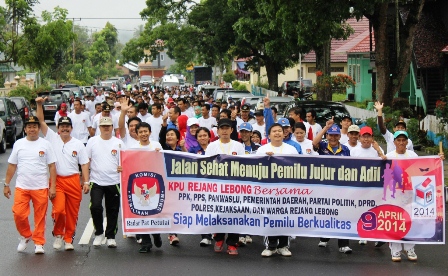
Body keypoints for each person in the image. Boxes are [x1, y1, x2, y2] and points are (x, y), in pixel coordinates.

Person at [35, 97, 90, 251]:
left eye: (67, 126)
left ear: (71, 128)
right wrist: (39, 104)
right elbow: (41, 122)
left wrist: (85, 181)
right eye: (62, 126)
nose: (65, 128)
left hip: (73, 180)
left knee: (72, 212)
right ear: (58, 128)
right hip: (57, 181)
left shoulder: (78, 144)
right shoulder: (52, 138)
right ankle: (58, 233)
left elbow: (84, 163)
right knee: (59, 210)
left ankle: (68, 238)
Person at [3, 116, 57, 254]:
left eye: (35, 126)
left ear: (38, 129)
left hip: (40, 187)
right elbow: (12, 165)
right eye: (29, 127)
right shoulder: (18, 144)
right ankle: (26, 235)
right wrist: (6, 184)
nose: (32, 129)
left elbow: (52, 166)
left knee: (40, 217)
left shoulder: (45, 144)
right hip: (22, 186)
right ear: (25, 129)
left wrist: (52, 187)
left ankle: (39, 243)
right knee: (19, 213)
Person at [257, 123, 299, 257]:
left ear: (284, 133)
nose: (277, 133)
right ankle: (271, 246)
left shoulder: (291, 149)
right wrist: (265, 159)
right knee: (269, 217)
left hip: (286, 190)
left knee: (285, 217)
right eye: (274, 131)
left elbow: (299, 169)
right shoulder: (262, 150)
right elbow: (255, 169)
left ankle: (283, 246)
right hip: (268, 191)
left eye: (280, 131)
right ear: (269, 135)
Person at [205, 118, 245, 255]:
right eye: (222, 128)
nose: (225, 131)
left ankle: (232, 243)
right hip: (217, 186)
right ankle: (219, 238)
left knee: (235, 214)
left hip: (234, 186)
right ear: (218, 130)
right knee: (219, 212)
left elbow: (243, 165)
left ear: (232, 130)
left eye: (227, 128)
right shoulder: (212, 146)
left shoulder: (238, 146)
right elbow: (206, 165)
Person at [312, 117, 352, 253]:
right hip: (325, 187)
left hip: (341, 187)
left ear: (340, 136)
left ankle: (343, 244)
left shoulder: (345, 150)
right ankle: (324, 238)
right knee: (327, 212)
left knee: (342, 213)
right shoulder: (323, 146)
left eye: (335, 135)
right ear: (327, 136)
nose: (333, 138)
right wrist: (325, 128)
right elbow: (314, 142)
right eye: (331, 135)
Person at [86, 117, 125, 249]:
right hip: (96, 180)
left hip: (114, 181)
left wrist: (122, 167)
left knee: (112, 210)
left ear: (112, 127)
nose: (106, 128)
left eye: (108, 125)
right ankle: (98, 233)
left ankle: (111, 236)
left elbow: (125, 162)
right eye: (103, 126)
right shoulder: (92, 141)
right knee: (95, 207)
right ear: (99, 127)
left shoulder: (119, 143)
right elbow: (86, 161)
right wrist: (85, 180)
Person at [128, 122, 163, 253]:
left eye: (145, 131)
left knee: (153, 211)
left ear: (150, 132)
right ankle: (146, 243)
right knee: (141, 212)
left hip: (154, 181)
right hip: (139, 181)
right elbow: (128, 164)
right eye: (141, 132)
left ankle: (156, 234)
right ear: (137, 134)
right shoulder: (132, 148)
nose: (143, 134)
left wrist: (159, 154)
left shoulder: (156, 145)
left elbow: (162, 162)